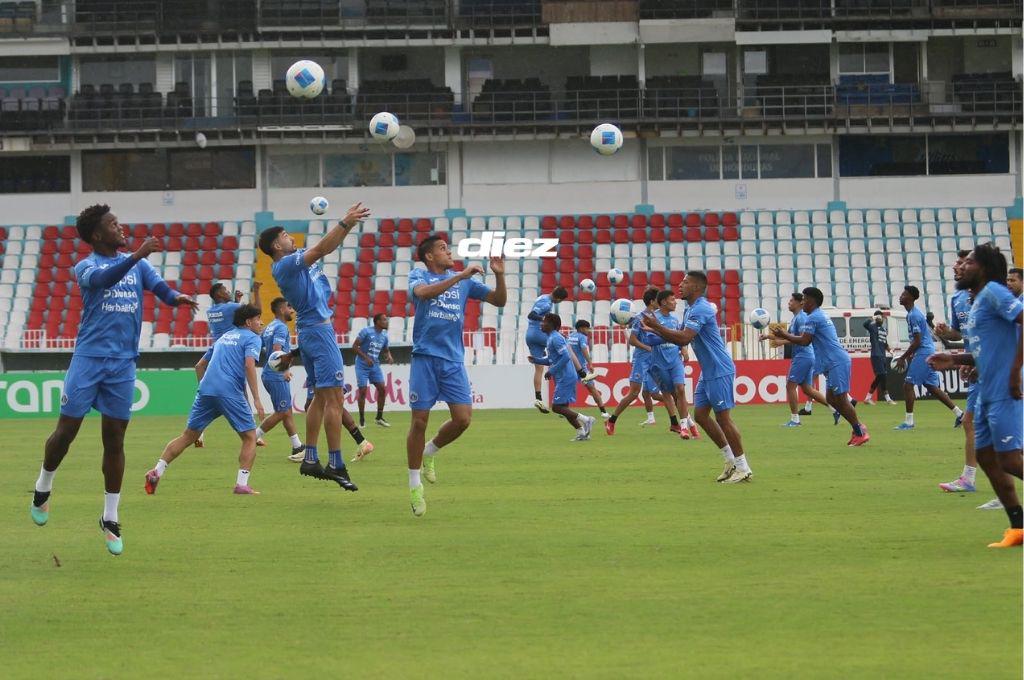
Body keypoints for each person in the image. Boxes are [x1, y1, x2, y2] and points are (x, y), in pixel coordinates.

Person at [29, 204, 197, 556]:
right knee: (66, 432)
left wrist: (176, 298)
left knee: (115, 440)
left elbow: (161, 290)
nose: (121, 228)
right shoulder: (87, 266)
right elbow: (105, 280)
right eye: (113, 224)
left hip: (123, 365)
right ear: (96, 235)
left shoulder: (140, 266)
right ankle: (43, 486)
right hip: (88, 361)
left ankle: (110, 517)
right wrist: (137, 255)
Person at [260, 202, 371, 491]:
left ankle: (310, 457)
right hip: (319, 331)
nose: (290, 237)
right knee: (335, 400)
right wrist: (346, 223)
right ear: (275, 245)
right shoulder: (284, 265)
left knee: (320, 399)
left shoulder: (293, 258)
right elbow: (322, 249)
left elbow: (322, 250)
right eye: (285, 235)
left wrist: (344, 227)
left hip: (310, 331)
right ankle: (336, 463)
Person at [928, 243, 1023, 548]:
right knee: (985, 456)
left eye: (968, 262)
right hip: (986, 391)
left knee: (1008, 460)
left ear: (982, 268)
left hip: (1004, 389)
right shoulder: (979, 300)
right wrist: (957, 360)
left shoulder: (995, 293)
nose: (962, 267)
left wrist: (1014, 371)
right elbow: (988, 348)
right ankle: (1018, 527)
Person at [406, 235, 506, 517]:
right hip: (425, 356)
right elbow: (423, 294)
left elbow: (499, 300)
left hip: (452, 360)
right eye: (442, 249)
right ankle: (414, 485)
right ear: (428, 256)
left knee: (463, 419)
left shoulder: (464, 281)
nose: (448, 251)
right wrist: (461, 275)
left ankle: (430, 451)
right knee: (419, 421)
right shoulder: (419, 274)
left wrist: (499, 276)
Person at [642, 272, 754, 483]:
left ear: (696, 287)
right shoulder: (690, 309)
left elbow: (684, 338)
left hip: (719, 369)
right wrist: (655, 331)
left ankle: (744, 467)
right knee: (701, 415)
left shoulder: (701, 308)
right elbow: (680, 339)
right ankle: (730, 460)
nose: (680, 286)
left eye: (684, 282)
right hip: (708, 371)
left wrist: (656, 326)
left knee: (723, 418)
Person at [145, 305, 267, 495]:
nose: (261, 322)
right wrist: (257, 399)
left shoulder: (223, 337)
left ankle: (156, 471)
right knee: (250, 437)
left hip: (206, 389)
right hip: (229, 391)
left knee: (188, 436)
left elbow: (199, 365)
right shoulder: (252, 338)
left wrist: (205, 389)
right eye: (259, 318)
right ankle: (242, 484)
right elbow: (249, 365)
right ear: (248, 322)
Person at [772, 287, 870, 447]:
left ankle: (860, 431)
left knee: (842, 400)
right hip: (831, 362)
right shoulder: (818, 315)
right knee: (832, 399)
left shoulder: (813, 318)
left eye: (804, 299)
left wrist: (784, 335)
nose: (802, 301)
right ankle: (858, 428)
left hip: (836, 361)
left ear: (811, 301)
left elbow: (804, 341)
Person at [193, 281, 261, 448]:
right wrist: (256, 291)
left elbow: (232, 318)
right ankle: (253, 434)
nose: (227, 291)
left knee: (202, 381)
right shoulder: (230, 307)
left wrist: (236, 302)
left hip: (216, 350)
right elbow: (252, 312)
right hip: (233, 349)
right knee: (242, 391)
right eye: (224, 290)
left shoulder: (211, 311)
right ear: (217, 294)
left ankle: (200, 433)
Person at [604, 287, 681, 436]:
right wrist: (648, 348)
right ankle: (612, 420)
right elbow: (632, 341)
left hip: (657, 358)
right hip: (642, 358)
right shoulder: (639, 318)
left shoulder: (661, 318)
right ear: (652, 302)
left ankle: (676, 423)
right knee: (633, 393)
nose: (661, 302)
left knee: (667, 391)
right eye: (658, 300)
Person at [894, 286, 964, 430]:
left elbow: (918, 341)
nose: (901, 296)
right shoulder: (912, 314)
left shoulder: (914, 315)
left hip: (924, 352)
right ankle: (960, 414)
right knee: (932, 387)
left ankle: (909, 422)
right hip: (926, 350)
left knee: (908, 385)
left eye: (904, 294)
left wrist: (903, 357)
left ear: (912, 298)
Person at [764, 292, 833, 426]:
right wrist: (768, 337)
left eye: (791, 301)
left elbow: (801, 339)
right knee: (808, 389)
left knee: (790, 386)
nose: (789, 303)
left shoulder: (801, 318)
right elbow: (789, 336)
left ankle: (795, 419)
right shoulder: (796, 318)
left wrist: (781, 342)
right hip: (806, 355)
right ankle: (834, 408)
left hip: (803, 355)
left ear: (799, 303)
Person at [529, 313, 596, 441]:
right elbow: (552, 359)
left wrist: (552, 371)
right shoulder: (551, 338)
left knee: (556, 407)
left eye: (544, 322)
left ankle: (587, 420)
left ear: (551, 325)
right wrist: (536, 360)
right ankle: (581, 432)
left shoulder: (556, 338)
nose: (541, 324)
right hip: (563, 376)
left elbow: (566, 357)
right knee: (563, 408)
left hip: (566, 376)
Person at [253, 297, 304, 462]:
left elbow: (259, 346)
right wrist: (286, 369)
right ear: (282, 310)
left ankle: (298, 447)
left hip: (269, 374)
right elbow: (277, 351)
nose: (292, 311)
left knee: (286, 411)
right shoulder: (281, 328)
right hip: (276, 375)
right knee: (282, 412)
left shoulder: (269, 327)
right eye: (289, 307)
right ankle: (253, 437)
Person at [649, 290, 699, 438]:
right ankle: (691, 423)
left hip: (675, 361)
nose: (675, 302)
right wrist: (668, 336)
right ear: (664, 302)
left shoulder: (675, 320)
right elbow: (649, 340)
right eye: (672, 300)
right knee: (673, 396)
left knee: (680, 390)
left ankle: (683, 427)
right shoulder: (653, 318)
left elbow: (680, 337)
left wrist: (684, 348)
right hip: (658, 364)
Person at [526, 286, 568, 412]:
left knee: (539, 369)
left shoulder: (542, 297)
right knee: (564, 353)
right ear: (559, 298)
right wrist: (544, 320)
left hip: (530, 335)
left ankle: (538, 399)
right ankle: (581, 374)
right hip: (540, 334)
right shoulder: (547, 303)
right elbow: (532, 314)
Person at [353, 313, 394, 428]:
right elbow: (354, 346)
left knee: (382, 389)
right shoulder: (366, 332)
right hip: (362, 365)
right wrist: (366, 358)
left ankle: (379, 418)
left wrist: (388, 356)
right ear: (377, 322)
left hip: (374, 365)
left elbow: (385, 349)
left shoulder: (384, 336)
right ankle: (361, 419)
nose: (387, 322)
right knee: (362, 390)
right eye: (384, 320)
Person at [567, 320, 609, 419]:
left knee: (567, 388)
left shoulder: (570, 336)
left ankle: (563, 410)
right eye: (587, 328)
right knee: (592, 389)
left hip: (570, 367)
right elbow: (584, 349)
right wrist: (590, 363)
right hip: (581, 369)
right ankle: (603, 412)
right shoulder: (582, 337)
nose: (588, 330)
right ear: (581, 328)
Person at [862, 310, 894, 405]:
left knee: (881, 377)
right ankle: (887, 399)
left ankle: (868, 398)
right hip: (876, 355)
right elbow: (865, 324)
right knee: (882, 375)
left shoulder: (883, 330)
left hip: (883, 355)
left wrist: (890, 350)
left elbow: (885, 343)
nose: (882, 319)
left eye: (882, 317)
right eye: (880, 317)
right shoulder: (872, 326)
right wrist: (873, 318)